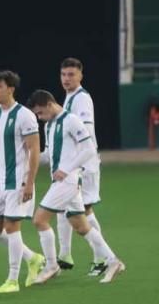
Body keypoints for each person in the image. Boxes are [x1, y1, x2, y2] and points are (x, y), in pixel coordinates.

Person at [28, 89, 125, 285]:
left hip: (68, 181)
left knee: (39, 220)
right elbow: (49, 154)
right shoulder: (49, 126)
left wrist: (67, 169)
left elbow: (88, 149)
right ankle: (114, 261)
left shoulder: (71, 120)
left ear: (49, 104)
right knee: (81, 226)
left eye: (40, 113)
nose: (39, 118)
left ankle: (52, 266)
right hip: (63, 181)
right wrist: (28, 158)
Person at [0, 70, 47, 294]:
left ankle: (12, 279)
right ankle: (33, 258)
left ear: (10, 89)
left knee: (12, 227)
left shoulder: (25, 116)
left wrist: (29, 183)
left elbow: (34, 150)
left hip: (18, 181)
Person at [56, 57, 107, 277]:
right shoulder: (69, 98)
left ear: (80, 76)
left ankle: (102, 258)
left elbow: (84, 134)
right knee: (69, 208)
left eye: (71, 75)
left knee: (82, 211)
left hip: (84, 164)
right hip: (76, 164)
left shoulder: (82, 99)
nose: (67, 79)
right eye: (64, 75)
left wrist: (75, 163)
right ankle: (65, 255)